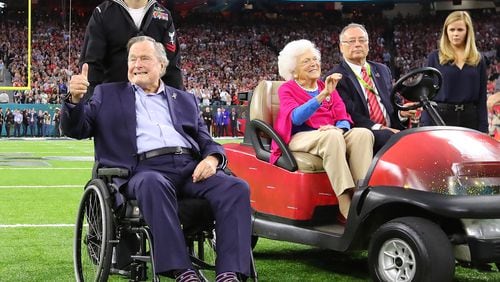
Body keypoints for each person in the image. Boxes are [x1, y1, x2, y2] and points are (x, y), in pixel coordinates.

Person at [61, 36, 251, 282]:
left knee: (236, 188)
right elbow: (77, 129)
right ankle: (182, 271)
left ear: (162, 65)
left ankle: (228, 273)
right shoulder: (106, 95)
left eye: (144, 58)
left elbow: (206, 141)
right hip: (142, 169)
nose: (137, 64)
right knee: (153, 182)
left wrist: (213, 159)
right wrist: (75, 101)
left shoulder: (184, 99)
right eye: (132, 59)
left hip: (190, 168)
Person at [271, 39, 374, 220]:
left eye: (315, 59)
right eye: (306, 61)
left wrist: (341, 129)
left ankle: (362, 192)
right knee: (332, 136)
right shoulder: (288, 89)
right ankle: (344, 200)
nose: (314, 64)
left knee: (363, 134)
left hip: (331, 134)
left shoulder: (325, 86)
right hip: (298, 136)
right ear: (293, 71)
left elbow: (342, 116)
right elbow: (295, 117)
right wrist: (323, 95)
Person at [325, 23, 416, 153]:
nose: (357, 44)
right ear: (341, 47)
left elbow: (394, 102)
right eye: (351, 41)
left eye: (362, 40)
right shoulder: (336, 77)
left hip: (392, 130)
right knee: (392, 138)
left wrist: (402, 113)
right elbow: (349, 113)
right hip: (364, 132)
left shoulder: (382, 69)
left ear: (368, 45)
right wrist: (380, 128)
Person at [72, 0, 183, 100]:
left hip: (153, 102)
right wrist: (94, 102)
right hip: (113, 101)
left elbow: (172, 67)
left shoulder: (164, 15)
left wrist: (176, 102)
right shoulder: (103, 12)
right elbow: (92, 65)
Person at [422, 11, 487, 132]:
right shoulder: (434, 57)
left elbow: (482, 98)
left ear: (468, 31)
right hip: (440, 118)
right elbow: (426, 95)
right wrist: (425, 125)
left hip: (471, 118)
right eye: (452, 30)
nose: (455, 34)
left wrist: (484, 128)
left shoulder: (478, 59)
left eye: (460, 30)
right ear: (446, 31)